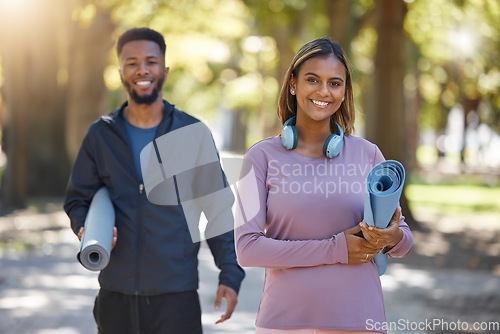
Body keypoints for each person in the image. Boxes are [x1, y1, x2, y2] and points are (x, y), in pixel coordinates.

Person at [64, 27, 245, 334]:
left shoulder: (193, 133)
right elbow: (78, 199)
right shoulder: (100, 135)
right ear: (121, 72)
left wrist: (230, 273)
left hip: (176, 297)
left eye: (151, 61)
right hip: (115, 294)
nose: (142, 69)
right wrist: (85, 226)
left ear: (165, 69)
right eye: (132, 63)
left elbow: (216, 207)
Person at [234, 37, 413, 334]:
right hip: (285, 321)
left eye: (335, 83)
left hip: (359, 319)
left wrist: (391, 236)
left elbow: (403, 243)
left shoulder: (368, 154)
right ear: (293, 84)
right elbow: (248, 249)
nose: (323, 91)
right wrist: (335, 249)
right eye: (312, 80)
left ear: (344, 92)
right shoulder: (260, 157)